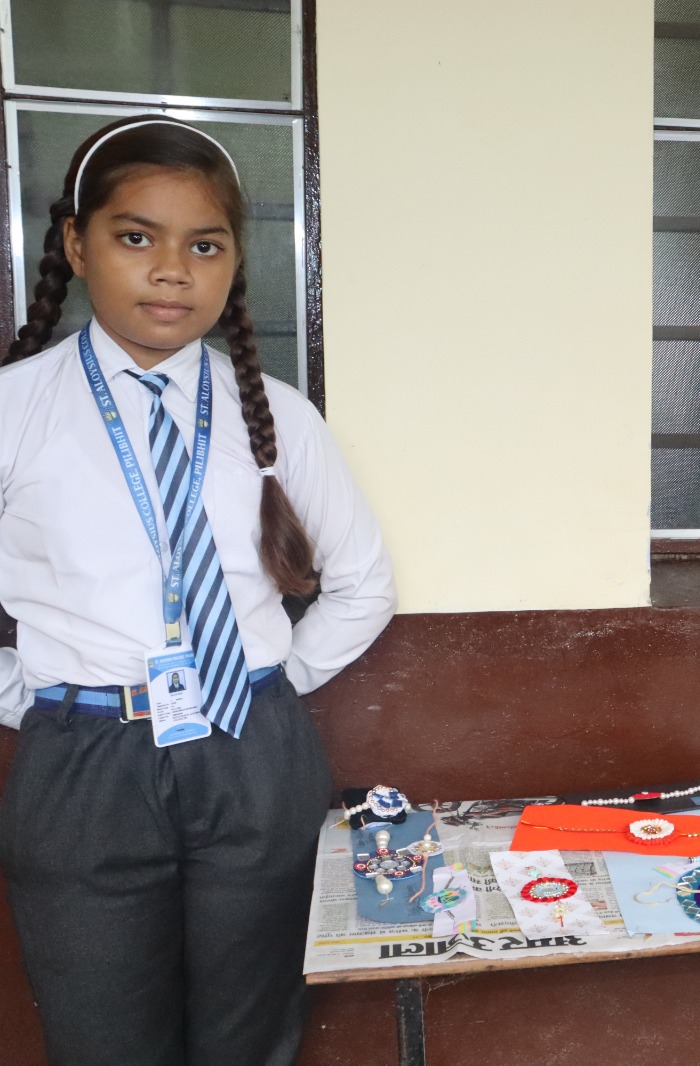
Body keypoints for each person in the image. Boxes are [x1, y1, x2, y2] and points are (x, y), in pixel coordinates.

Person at [0, 116, 396, 1065]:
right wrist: (39, 702)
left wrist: (270, 688)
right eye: (137, 237)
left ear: (233, 264)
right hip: (83, 767)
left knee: (249, 1034)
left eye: (205, 246)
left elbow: (364, 583)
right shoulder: (15, 411)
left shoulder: (279, 419)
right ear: (76, 245)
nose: (172, 271)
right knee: (102, 1038)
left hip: (254, 754)